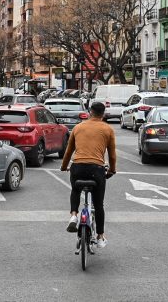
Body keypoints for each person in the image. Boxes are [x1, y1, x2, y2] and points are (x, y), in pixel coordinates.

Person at [60, 101, 117, 248]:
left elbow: (68, 151)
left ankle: (73, 215)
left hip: (78, 167)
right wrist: (112, 170)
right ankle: (100, 236)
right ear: (103, 114)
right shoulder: (108, 129)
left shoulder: (78, 127)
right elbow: (112, 156)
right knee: (98, 204)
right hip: (97, 169)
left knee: (75, 190)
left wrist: (64, 166)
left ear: (90, 112)